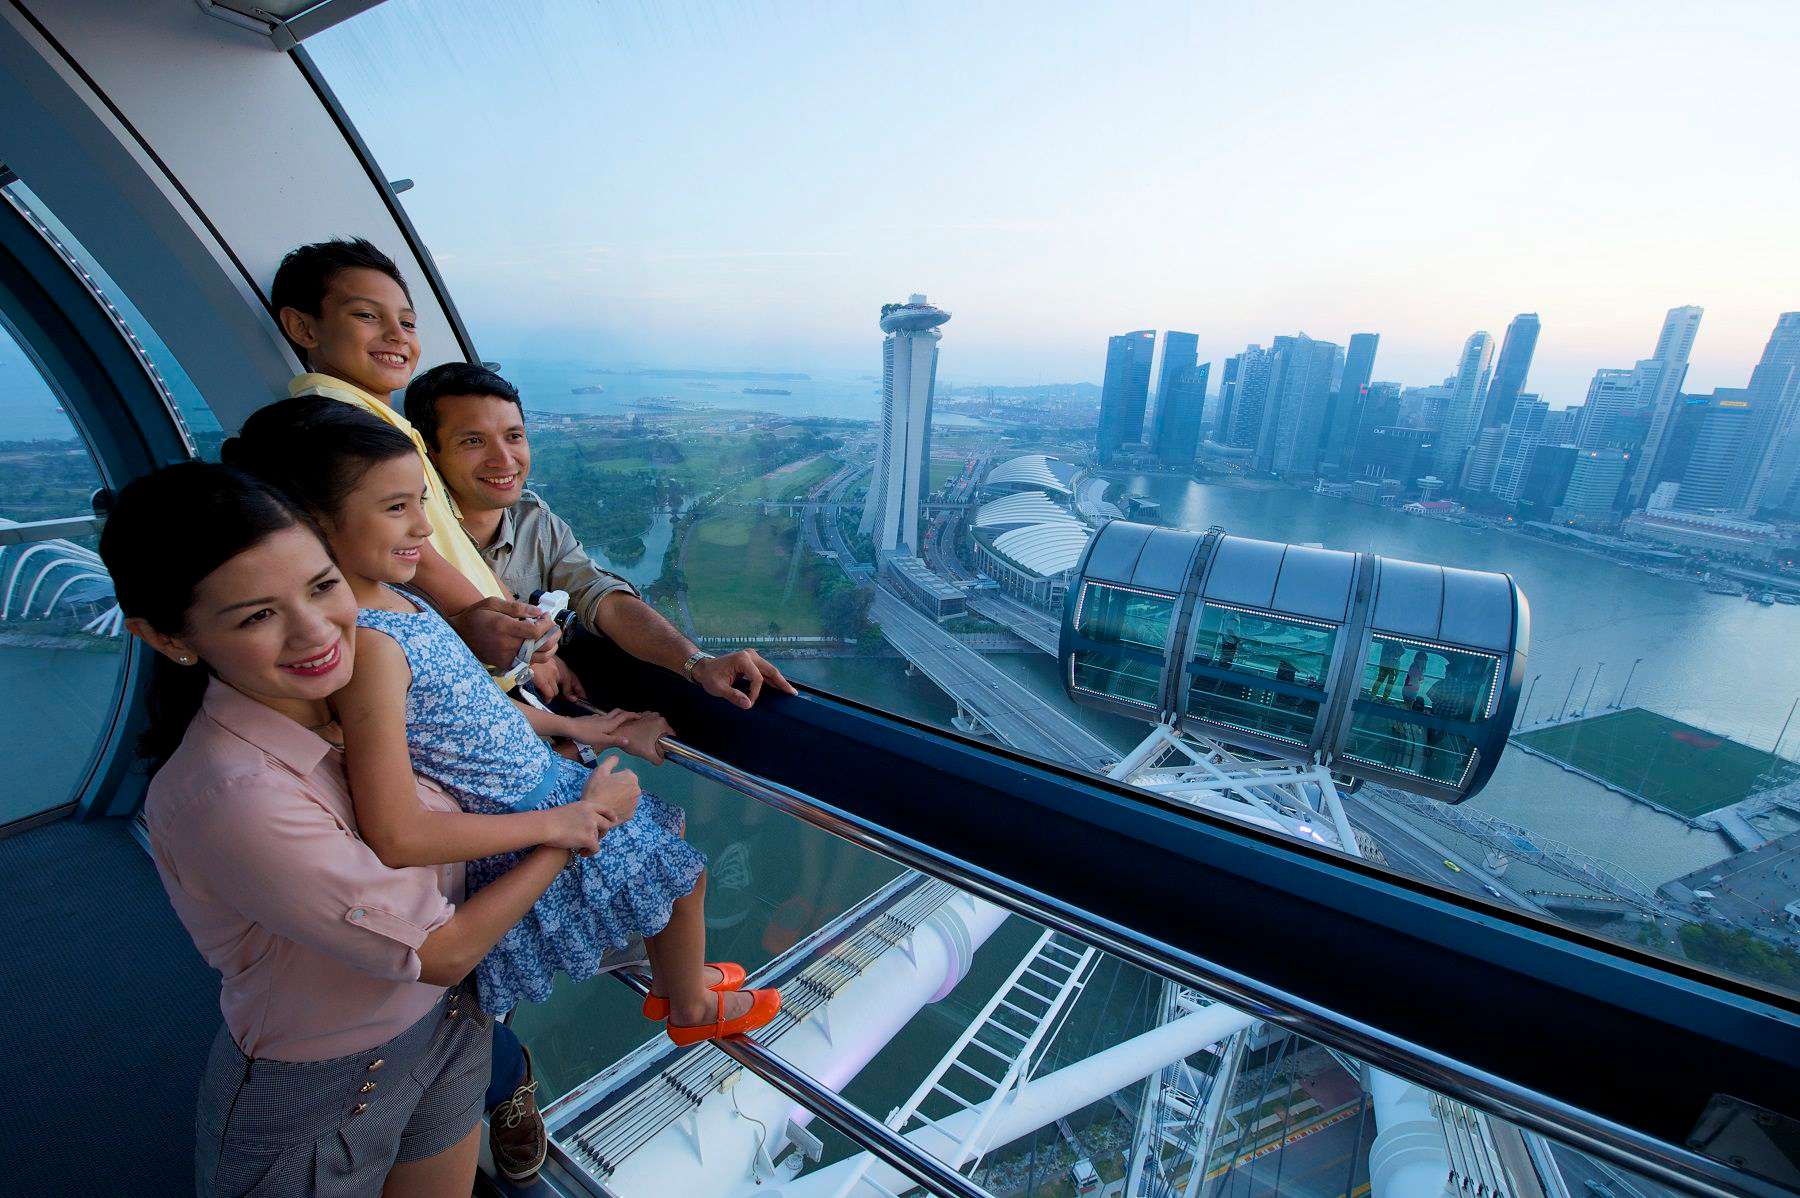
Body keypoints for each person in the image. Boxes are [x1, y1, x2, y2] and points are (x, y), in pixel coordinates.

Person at [101, 463, 589, 1197]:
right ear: (169, 640)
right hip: (325, 1086)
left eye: (323, 586)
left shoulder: (359, 701)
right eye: (256, 616)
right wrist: (575, 825)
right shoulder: (232, 796)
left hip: (454, 1028)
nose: (315, 631)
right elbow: (440, 950)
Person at [227, 398, 781, 1043]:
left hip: (535, 785)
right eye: (397, 509)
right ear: (312, 523)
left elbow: (465, 716)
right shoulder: (372, 645)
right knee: (682, 874)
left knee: (671, 851)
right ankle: (689, 1008)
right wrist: (574, 820)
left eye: (419, 505)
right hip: (514, 819)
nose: (423, 531)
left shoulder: (398, 602)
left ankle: (676, 983)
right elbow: (395, 834)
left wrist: (580, 729)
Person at [402, 361, 798, 710]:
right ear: (428, 454)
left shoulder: (536, 523)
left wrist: (697, 663)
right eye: (473, 441)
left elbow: (601, 596)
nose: (504, 459)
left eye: (514, 436)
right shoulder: (405, 544)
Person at [271, 237, 551, 674]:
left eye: (408, 322)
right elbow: (414, 548)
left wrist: (511, 615)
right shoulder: (335, 424)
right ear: (304, 328)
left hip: (493, 650)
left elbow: (448, 540)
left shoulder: (378, 420)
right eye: (367, 315)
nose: (396, 336)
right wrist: (485, 622)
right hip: (476, 653)